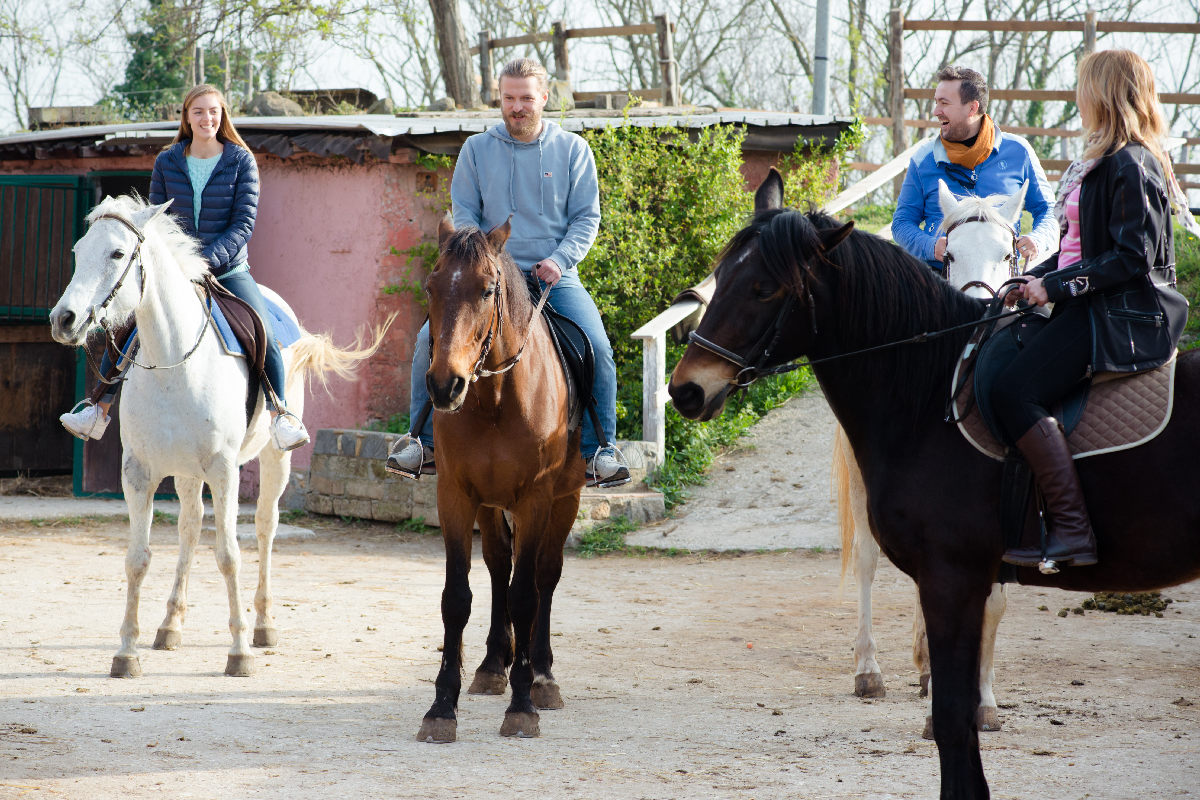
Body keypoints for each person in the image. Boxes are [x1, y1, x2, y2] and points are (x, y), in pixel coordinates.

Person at [387, 57, 630, 487]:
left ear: (544, 99)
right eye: (509, 98)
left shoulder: (573, 150)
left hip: (552, 276)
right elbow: (464, 214)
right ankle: (420, 443)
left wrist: (560, 259)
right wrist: (486, 261)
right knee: (429, 339)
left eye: (526, 98)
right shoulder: (476, 150)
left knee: (597, 347)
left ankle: (600, 451)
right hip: (488, 278)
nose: (517, 107)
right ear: (500, 99)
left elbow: (586, 218)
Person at [994, 49, 1192, 571]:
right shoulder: (1101, 164)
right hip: (1096, 303)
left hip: (1128, 315)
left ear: (1103, 93)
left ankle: (1071, 530)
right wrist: (1034, 279)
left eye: (1083, 86)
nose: (1076, 98)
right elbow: (1083, 249)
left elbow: (1132, 257)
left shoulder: (1133, 163)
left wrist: (1055, 289)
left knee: (1014, 390)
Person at [59, 84, 310, 451]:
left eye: (213, 111)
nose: (207, 118)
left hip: (227, 270)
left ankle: (280, 414)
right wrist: (179, 265)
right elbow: (158, 222)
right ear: (186, 118)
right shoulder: (167, 161)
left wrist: (206, 262)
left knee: (263, 330)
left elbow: (244, 223)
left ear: (222, 116)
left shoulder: (241, 160)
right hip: (173, 271)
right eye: (199, 112)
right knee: (129, 324)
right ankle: (99, 406)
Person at [893, 65, 1059, 273]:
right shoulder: (922, 159)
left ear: (972, 108)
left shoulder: (1019, 152)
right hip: (940, 281)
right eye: (936, 102)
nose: (935, 111)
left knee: (1040, 308)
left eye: (944, 103)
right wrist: (931, 247)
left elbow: (1049, 211)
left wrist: (1039, 239)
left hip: (1002, 279)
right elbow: (901, 223)